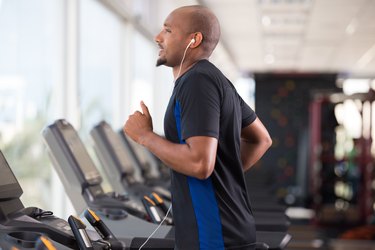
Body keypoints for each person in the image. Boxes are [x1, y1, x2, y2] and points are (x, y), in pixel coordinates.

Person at [124, 5, 272, 250]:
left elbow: (199, 163)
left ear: (194, 40)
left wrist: (144, 136)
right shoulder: (215, 79)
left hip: (213, 237)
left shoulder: (197, 82)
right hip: (229, 231)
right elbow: (261, 139)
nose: (158, 37)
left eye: (168, 31)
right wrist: (222, 178)